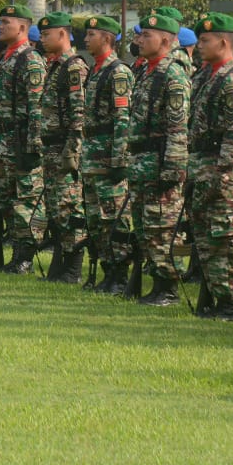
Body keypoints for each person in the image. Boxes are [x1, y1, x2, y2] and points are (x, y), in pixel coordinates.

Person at [186, 12, 233, 321]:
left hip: (222, 171)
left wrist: (222, 176)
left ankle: (230, 302)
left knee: (224, 238)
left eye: (205, 40)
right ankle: (214, 294)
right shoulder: (203, 76)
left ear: (224, 43)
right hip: (201, 167)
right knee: (203, 237)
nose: (199, 45)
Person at [126, 11, 191, 305]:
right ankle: (155, 280)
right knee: (144, 225)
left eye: (146, 36)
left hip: (160, 161)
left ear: (165, 40)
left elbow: (178, 127)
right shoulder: (148, 70)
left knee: (163, 225)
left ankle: (168, 286)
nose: (140, 40)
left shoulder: (172, 74)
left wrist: (173, 169)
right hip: (142, 161)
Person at [0, 5, 46, 273]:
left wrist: (34, 146)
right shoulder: (8, 58)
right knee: (7, 199)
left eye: (5, 22)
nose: (0, 26)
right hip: (3, 140)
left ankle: (25, 256)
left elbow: (37, 108)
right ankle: (15, 252)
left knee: (25, 199)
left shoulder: (30, 60)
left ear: (22, 28)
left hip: (20, 140)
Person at [80, 16, 135, 293]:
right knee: (95, 218)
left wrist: (119, 159)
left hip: (107, 158)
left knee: (113, 217)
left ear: (107, 38)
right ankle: (106, 270)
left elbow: (122, 118)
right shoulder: (96, 70)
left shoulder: (118, 72)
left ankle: (119, 273)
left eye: (92, 34)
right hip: (91, 156)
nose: (86, 39)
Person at [37, 12, 88, 282]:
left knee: (69, 207)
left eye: (47, 34)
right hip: (52, 147)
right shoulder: (55, 65)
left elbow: (79, 113)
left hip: (65, 147)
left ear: (62, 35)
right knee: (56, 208)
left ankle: (72, 268)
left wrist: (73, 149)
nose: (43, 39)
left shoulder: (73, 67)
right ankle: (59, 265)